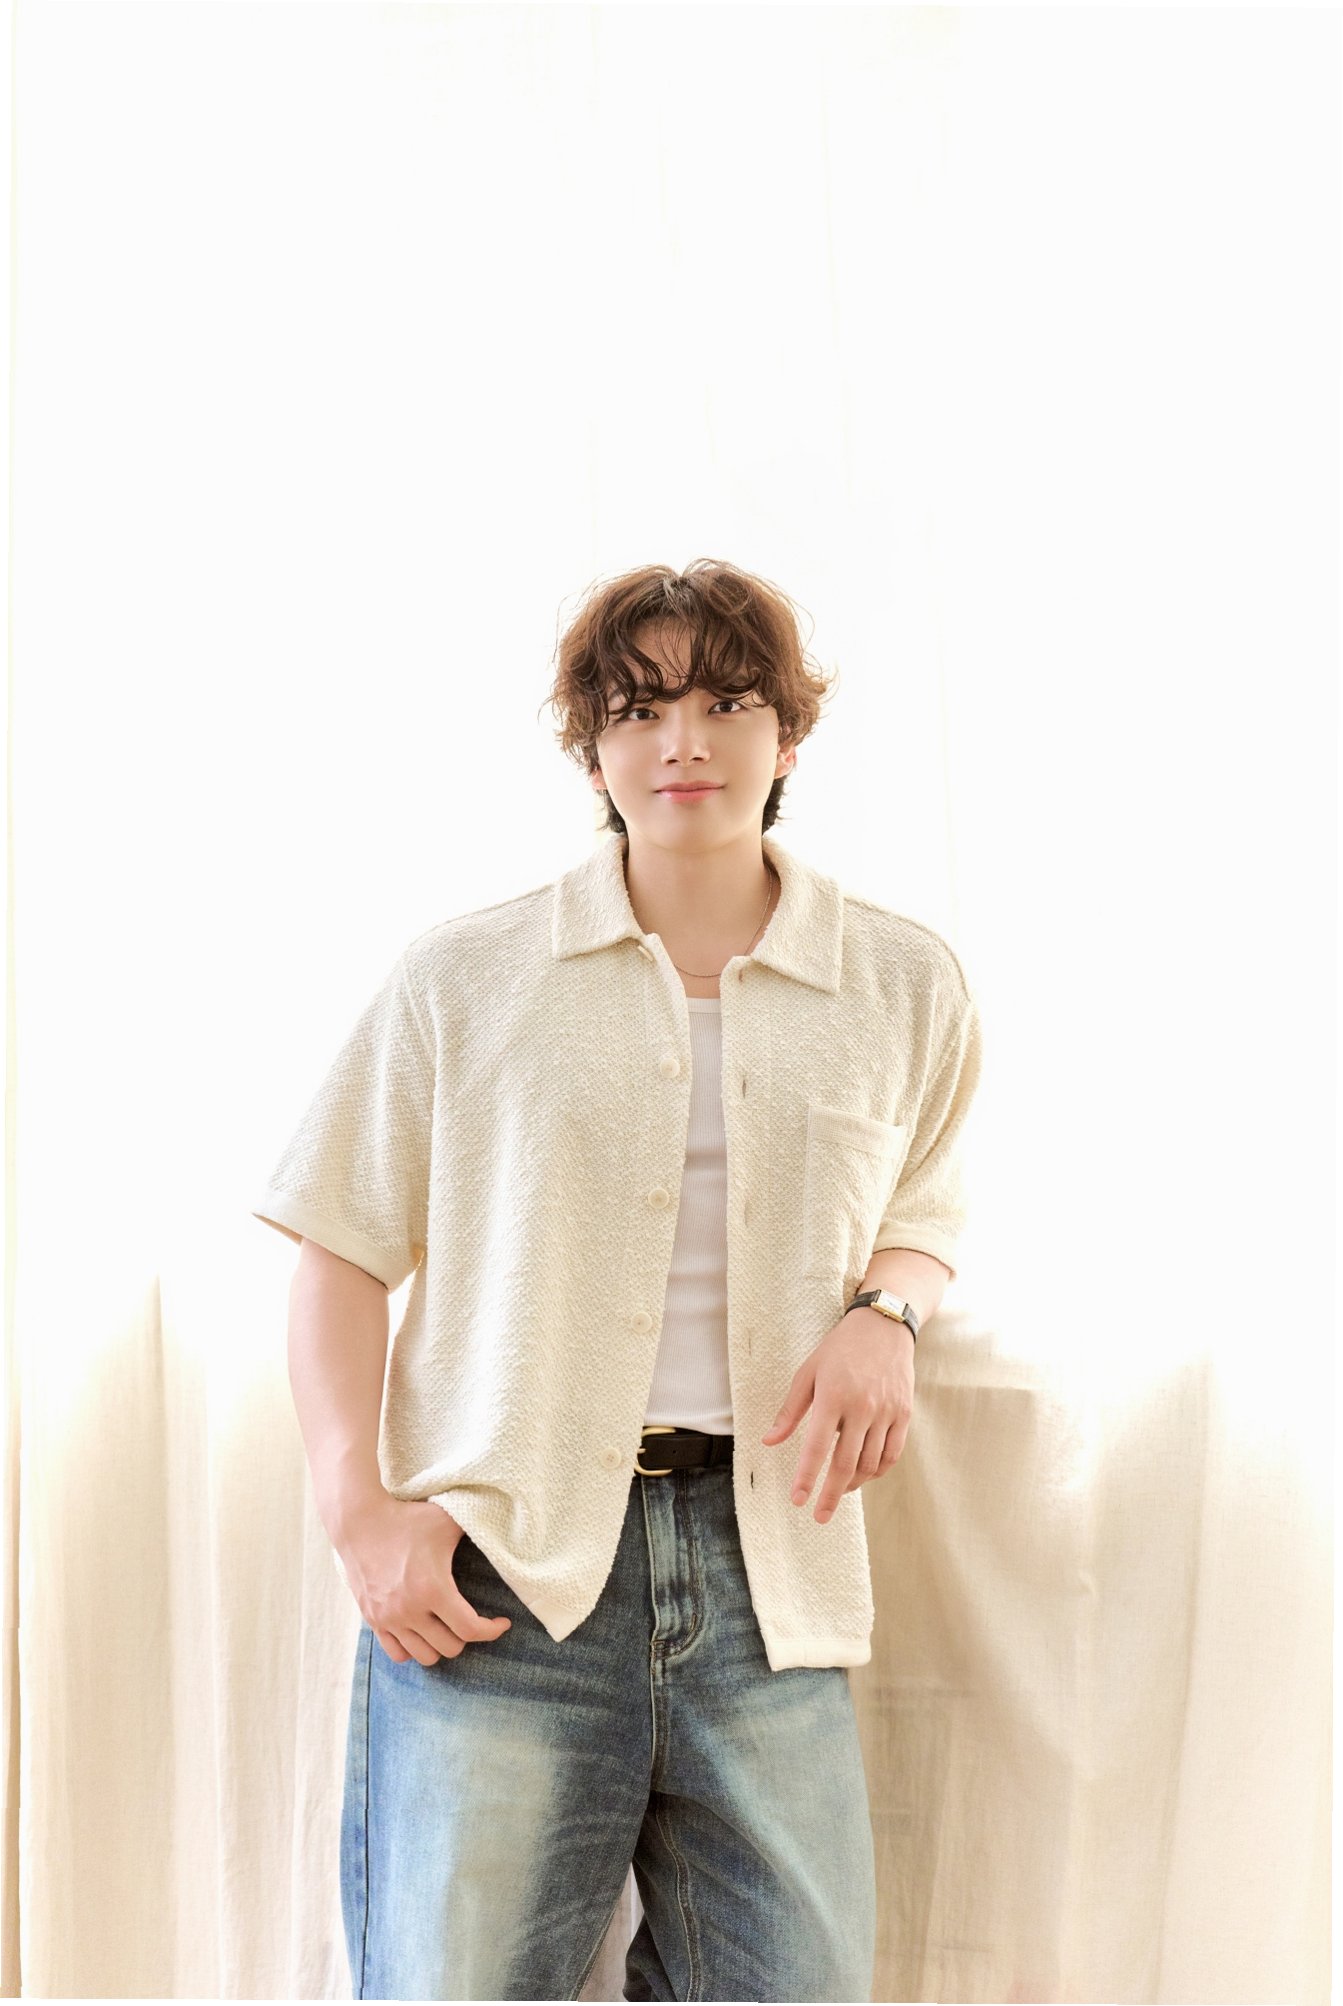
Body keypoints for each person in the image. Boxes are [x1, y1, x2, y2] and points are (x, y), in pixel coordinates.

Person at [253, 559, 983, 2002]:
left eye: (727, 703)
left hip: (772, 1573)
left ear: (791, 735)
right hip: (501, 1572)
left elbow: (926, 1194)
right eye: (639, 711)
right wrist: (357, 1512)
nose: (684, 743)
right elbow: (337, 1241)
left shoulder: (902, 982)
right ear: (592, 751)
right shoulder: (467, 977)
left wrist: (888, 1310)